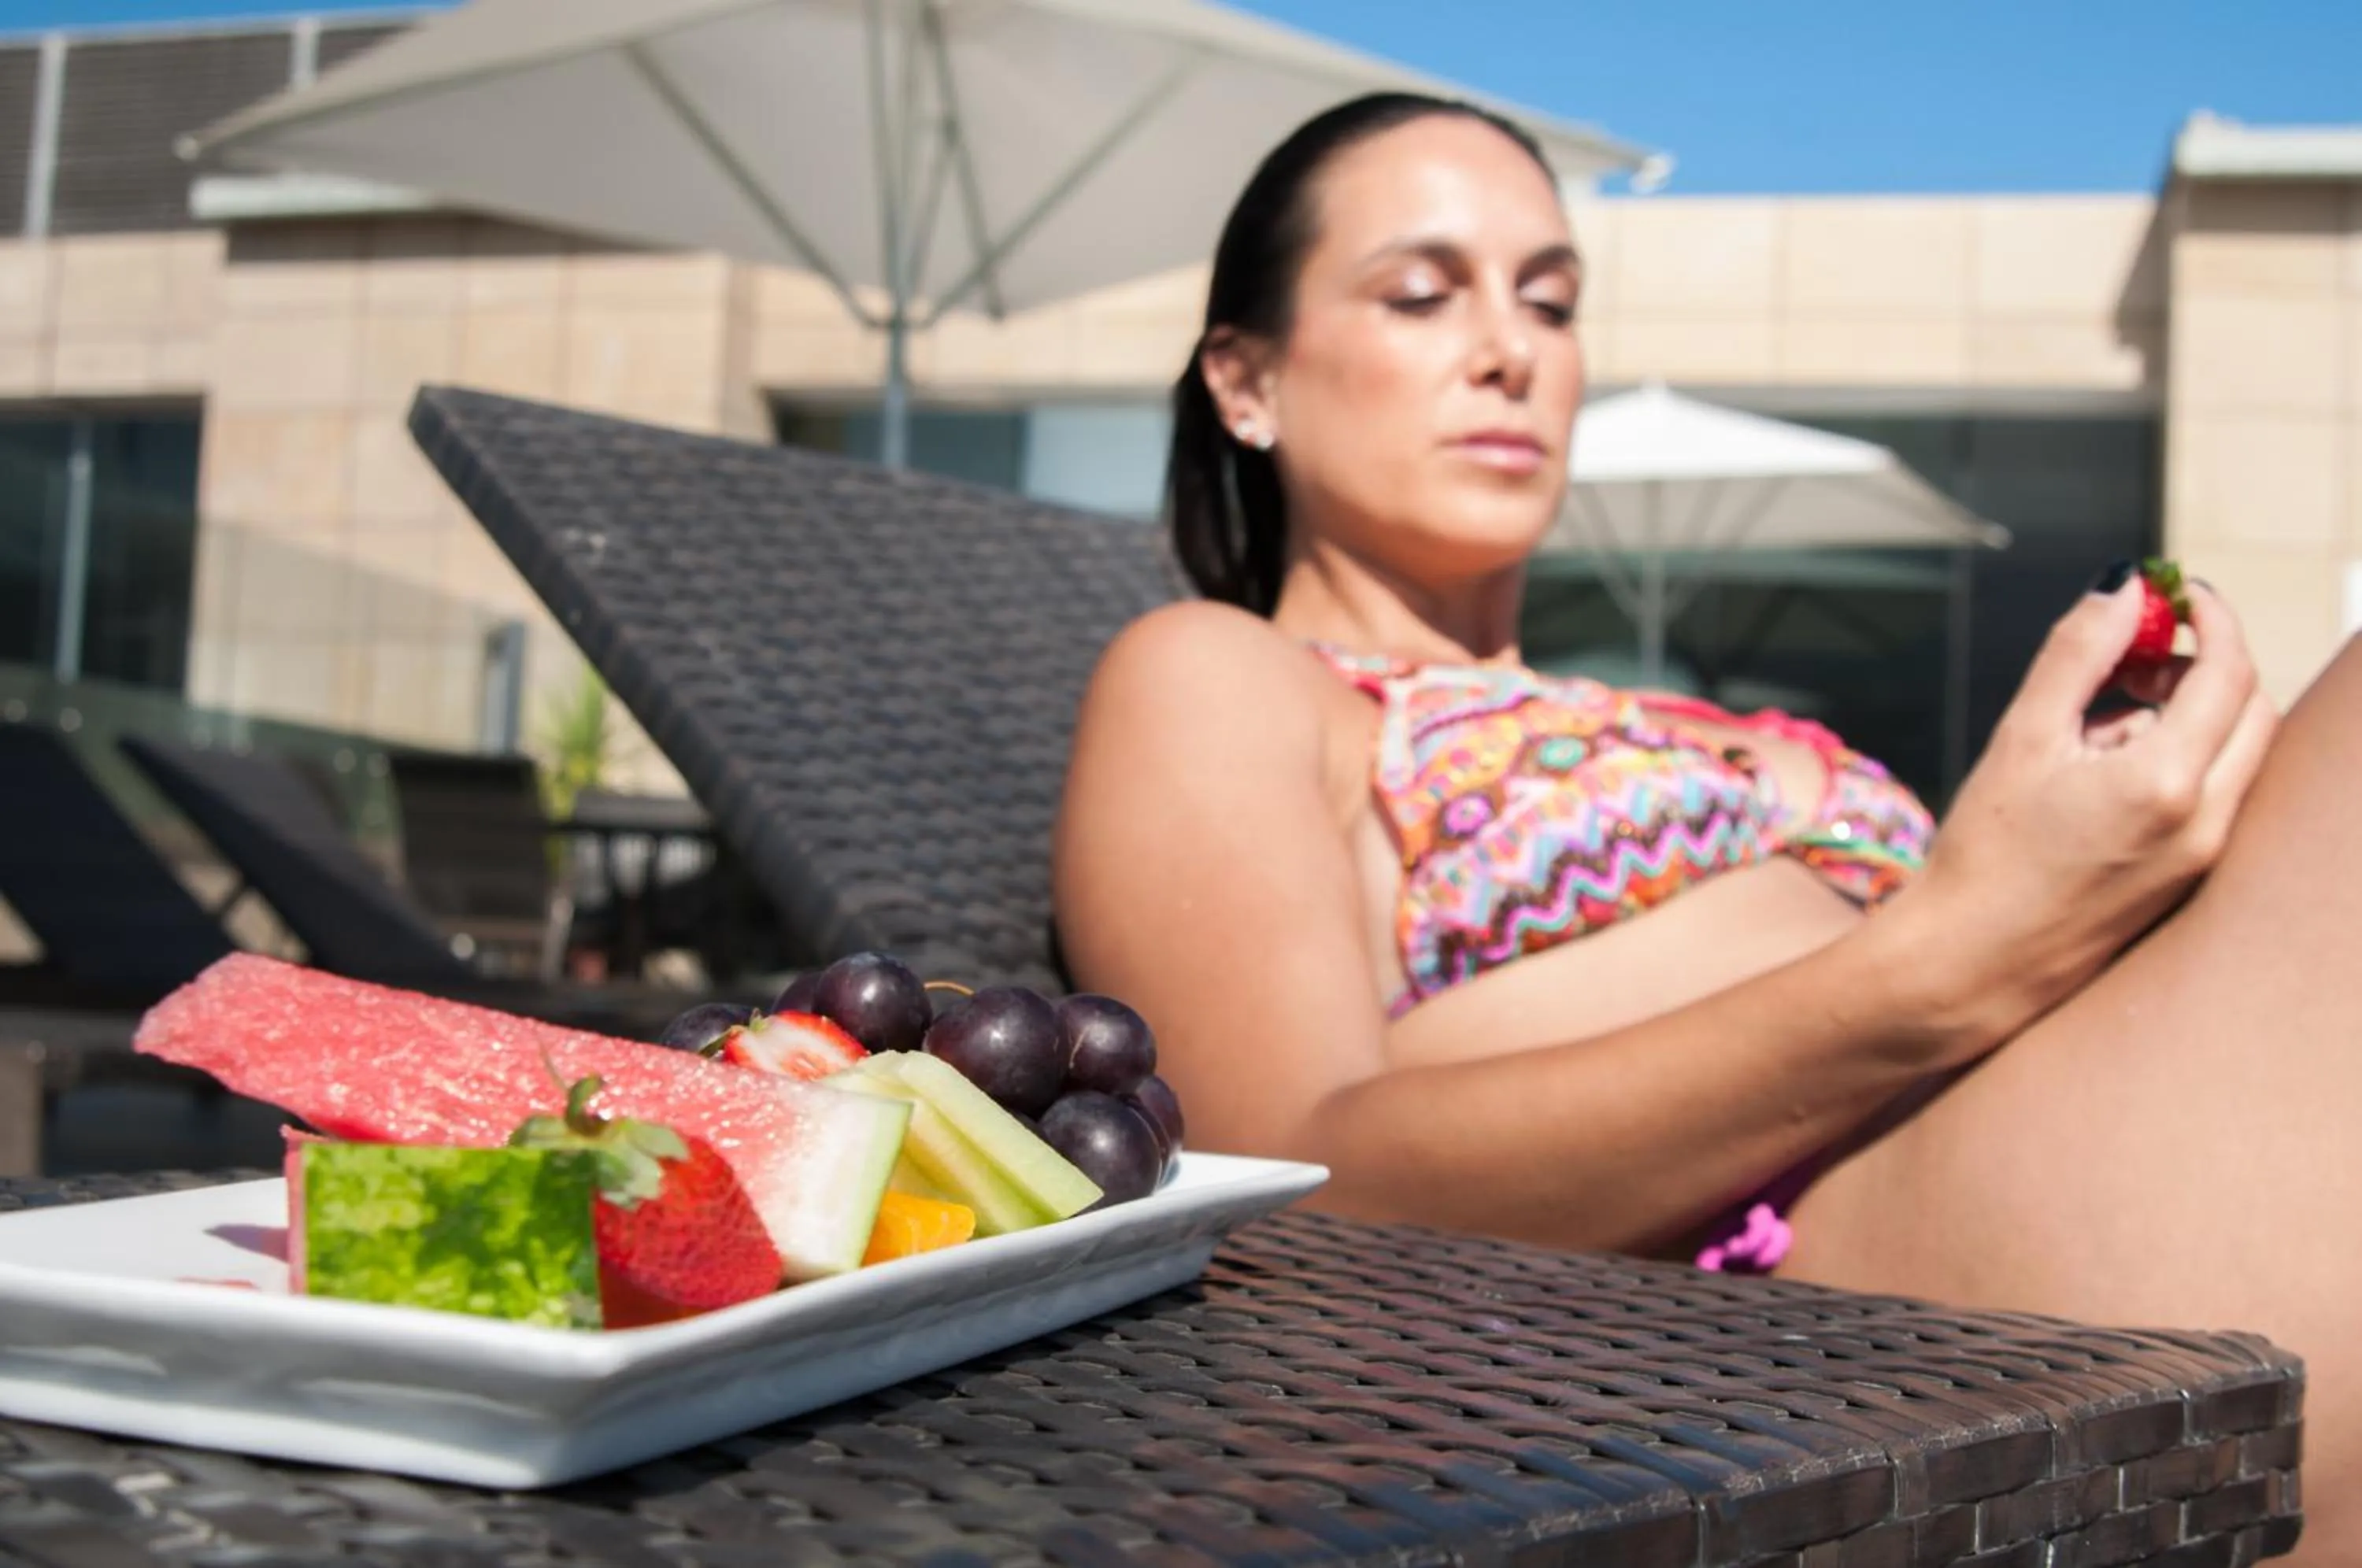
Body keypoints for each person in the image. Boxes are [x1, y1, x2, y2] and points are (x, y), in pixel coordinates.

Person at [1051, 91, 2358, 1560]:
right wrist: (1955, 947)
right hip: (1864, 1296)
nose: (1511, 348)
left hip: (2072, 1117)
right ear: (1247, 381)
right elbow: (1287, 1182)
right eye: (1422, 295)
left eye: (1552, 300)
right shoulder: (1224, 676)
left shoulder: (1675, 706)